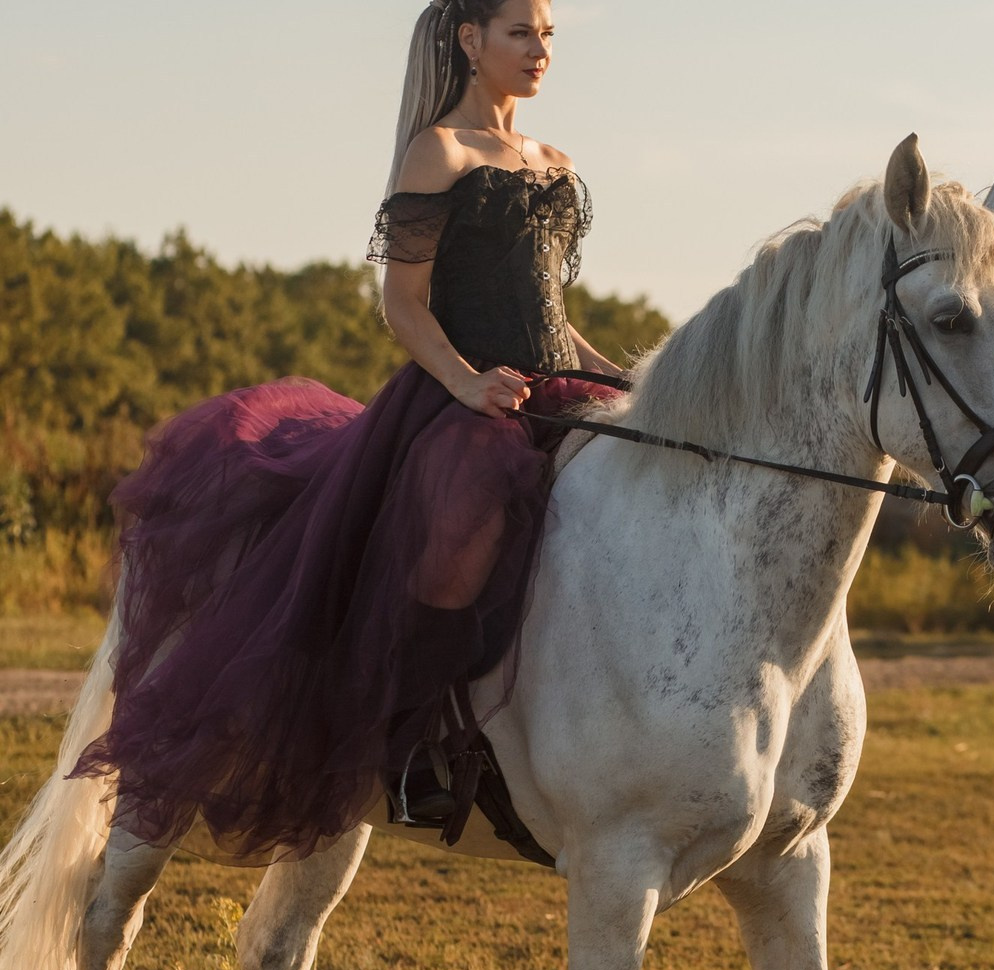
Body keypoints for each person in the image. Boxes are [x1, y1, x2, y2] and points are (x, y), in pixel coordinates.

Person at [71, 0, 622, 864]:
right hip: (457, 398)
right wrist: (467, 384)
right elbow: (401, 304)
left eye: (548, 35)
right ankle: (409, 750)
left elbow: (553, 315)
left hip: (552, 388)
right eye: (521, 32)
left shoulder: (557, 163)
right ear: (471, 41)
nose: (539, 50)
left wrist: (614, 378)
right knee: (455, 538)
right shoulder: (438, 152)